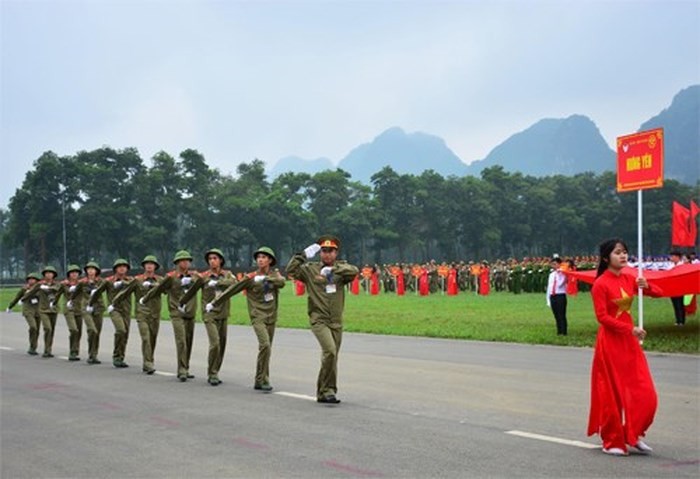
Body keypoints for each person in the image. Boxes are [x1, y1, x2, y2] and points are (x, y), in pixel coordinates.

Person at [587, 238, 661, 456]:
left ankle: (633, 433)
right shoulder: (600, 284)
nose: (623, 256)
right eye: (618, 252)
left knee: (646, 392)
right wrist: (630, 329)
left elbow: (657, 293)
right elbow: (602, 317)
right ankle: (612, 440)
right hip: (610, 343)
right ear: (605, 258)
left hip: (629, 343)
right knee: (612, 393)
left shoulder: (630, 278)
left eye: (625, 252)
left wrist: (647, 286)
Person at [286, 235, 359, 404]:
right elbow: (291, 270)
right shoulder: (310, 270)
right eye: (324, 251)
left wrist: (333, 270)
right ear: (320, 253)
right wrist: (302, 255)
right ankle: (326, 390)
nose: (327, 255)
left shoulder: (342, 268)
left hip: (336, 321)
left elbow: (354, 271)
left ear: (336, 253)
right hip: (319, 319)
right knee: (330, 351)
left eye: (331, 251)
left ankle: (327, 391)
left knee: (332, 357)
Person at [207, 247, 285, 390]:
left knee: (267, 349)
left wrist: (266, 278)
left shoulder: (275, 275)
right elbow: (232, 290)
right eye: (258, 257)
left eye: (264, 257)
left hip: (271, 316)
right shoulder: (249, 278)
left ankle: (261, 379)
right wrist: (214, 303)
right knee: (265, 345)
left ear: (270, 260)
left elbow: (281, 282)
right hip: (257, 316)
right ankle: (261, 378)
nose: (260, 259)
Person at [178, 248, 236, 386]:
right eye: (210, 259)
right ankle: (212, 373)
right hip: (209, 314)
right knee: (215, 343)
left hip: (223, 313)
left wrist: (217, 283)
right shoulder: (203, 277)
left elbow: (234, 284)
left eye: (215, 258)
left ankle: (215, 369)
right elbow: (192, 290)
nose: (212, 261)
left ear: (221, 260)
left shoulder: (227, 275)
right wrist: (182, 302)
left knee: (221, 345)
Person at [141, 250, 199, 381]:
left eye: (187, 260)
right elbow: (158, 289)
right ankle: (182, 370)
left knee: (189, 341)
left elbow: (203, 282)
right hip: (176, 312)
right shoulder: (170, 277)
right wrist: (145, 299)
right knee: (181, 341)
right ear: (177, 263)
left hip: (190, 312)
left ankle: (186, 367)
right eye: (182, 260)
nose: (185, 262)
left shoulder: (194, 276)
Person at [111, 255, 163, 374]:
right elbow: (125, 292)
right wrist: (114, 304)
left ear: (155, 266)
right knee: (146, 338)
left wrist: (152, 286)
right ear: (144, 266)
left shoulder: (160, 280)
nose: (149, 265)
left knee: (152, 339)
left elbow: (165, 290)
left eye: (152, 263)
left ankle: (148, 360)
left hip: (155, 313)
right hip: (142, 313)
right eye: (147, 263)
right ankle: (148, 363)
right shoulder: (137, 280)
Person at [90, 259, 134, 368]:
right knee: (120, 330)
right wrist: (90, 304)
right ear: (115, 269)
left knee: (125, 334)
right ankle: (116, 356)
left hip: (127, 310)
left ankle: (120, 357)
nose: (122, 268)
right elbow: (98, 292)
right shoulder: (109, 281)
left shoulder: (131, 280)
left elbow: (135, 286)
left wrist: (122, 283)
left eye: (124, 266)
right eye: (119, 266)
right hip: (114, 309)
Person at [21, 266, 64, 358]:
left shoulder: (57, 284)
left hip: (53, 309)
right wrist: (23, 299)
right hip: (43, 310)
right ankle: (36, 347)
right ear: (44, 275)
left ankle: (47, 350)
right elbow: (31, 292)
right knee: (47, 328)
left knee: (51, 330)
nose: (48, 274)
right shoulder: (39, 284)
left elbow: (56, 289)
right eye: (46, 273)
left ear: (53, 275)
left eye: (50, 273)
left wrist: (47, 288)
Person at [6, 272, 43, 355]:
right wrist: (10, 306)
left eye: (33, 279)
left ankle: (33, 347)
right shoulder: (24, 289)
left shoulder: (40, 289)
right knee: (33, 327)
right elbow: (17, 298)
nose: (31, 281)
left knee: (36, 330)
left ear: (37, 281)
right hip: (28, 310)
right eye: (29, 279)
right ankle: (32, 346)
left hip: (37, 311)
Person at [81, 261, 106, 364]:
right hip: (86, 308)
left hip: (98, 308)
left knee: (97, 332)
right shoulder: (82, 282)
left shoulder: (101, 282)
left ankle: (93, 354)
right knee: (92, 330)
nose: (91, 271)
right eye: (89, 269)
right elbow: (74, 291)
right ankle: (91, 353)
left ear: (96, 271)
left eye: (93, 269)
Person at [61, 264, 84, 361]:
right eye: (72, 272)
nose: (74, 274)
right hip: (68, 309)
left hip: (79, 309)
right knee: (74, 329)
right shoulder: (64, 284)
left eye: (76, 272)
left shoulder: (82, 283)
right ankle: (72, 351)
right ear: (69, 274)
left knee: (79, 332)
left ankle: (75, 350)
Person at [546, 257, 568, 336]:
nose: (553, 266)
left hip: (560, 295)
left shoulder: (563, 274)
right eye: (552, 264)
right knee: (556, 315)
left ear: (559, 264)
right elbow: (549, 287)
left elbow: (560, 284)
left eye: (555, 264)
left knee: (561, 314)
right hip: (553, 296)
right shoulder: (551, 275)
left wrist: (562, 272)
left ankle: (564, 331)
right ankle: (559, 331)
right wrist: (548, 299)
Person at [668, 251, 686, 326]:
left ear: (677, 257)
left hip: (680, 288)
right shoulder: (670, 266)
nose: (671, 258)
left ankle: (681, 321)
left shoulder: (682, 265)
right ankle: (678, 320)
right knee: (675, 304)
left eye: (673, 256)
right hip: (672, 288)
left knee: (680, 304)